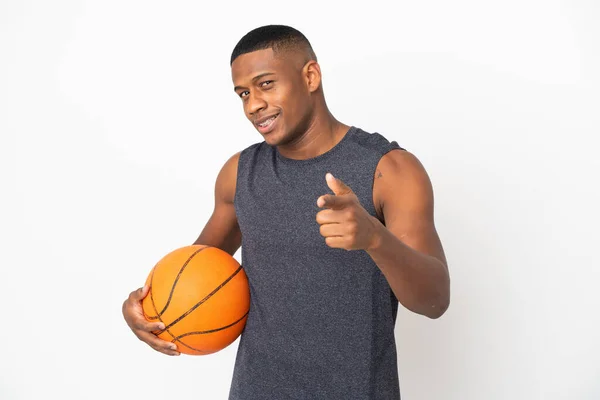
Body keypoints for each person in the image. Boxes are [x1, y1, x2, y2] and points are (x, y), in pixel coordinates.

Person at [122, 24, 450, 399]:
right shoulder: (238, 175)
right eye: (243, 93)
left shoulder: (389, 170)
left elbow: (435, 300)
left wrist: (375, 238)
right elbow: (188, 278)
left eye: (265, 84)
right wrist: (142, 311)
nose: (252, 105)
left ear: (310, 76)